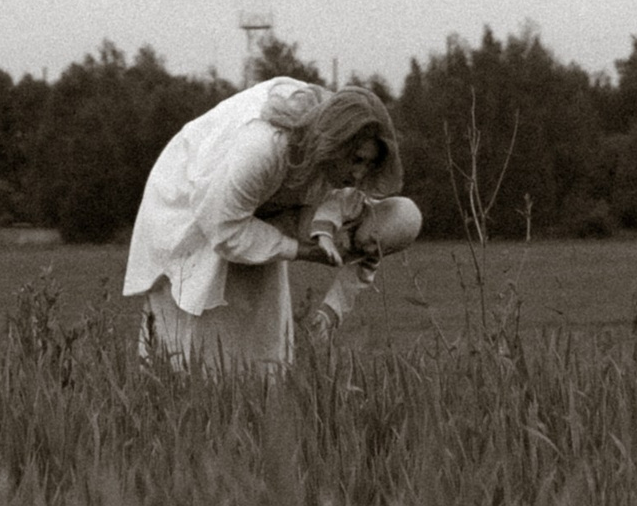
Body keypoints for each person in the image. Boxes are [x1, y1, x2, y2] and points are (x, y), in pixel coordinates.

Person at [125, 76, 422, 374]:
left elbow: (355, 270)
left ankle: (252, 405)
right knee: (191, 337)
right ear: (335, 143)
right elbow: (224, 228)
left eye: (369, 165)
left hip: (253, 218)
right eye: (356, 160)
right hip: (192, 207)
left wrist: (328, 314)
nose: (359, 175)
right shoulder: (264, 145)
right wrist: (304, 248)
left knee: (263, 340)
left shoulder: (365, 217)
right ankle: (182, 399)